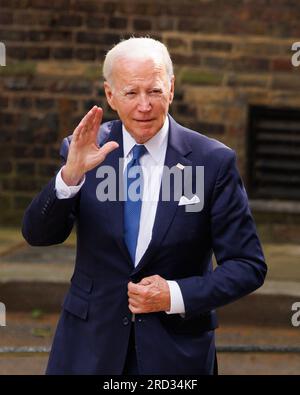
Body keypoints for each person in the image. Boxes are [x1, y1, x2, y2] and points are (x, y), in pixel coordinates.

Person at [22, 37, 267, 375]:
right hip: (88, 349)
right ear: (110, 95)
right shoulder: (85, 149)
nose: (144, 106)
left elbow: (247, 265)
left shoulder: (213, 162)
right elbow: (38, 234)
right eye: (131, 93)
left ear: (171, 88)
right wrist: (70, 175)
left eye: (154, 91)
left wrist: (174, 294)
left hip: (175, 355)